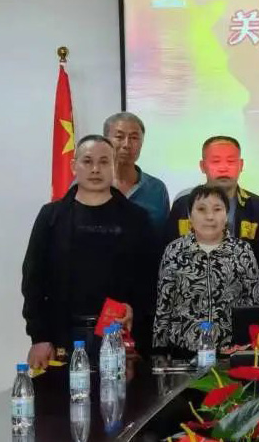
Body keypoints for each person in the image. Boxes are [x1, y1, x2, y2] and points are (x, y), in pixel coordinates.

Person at [21, 135, 158, 368]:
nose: (95, 169)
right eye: (87, 161)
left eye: (104, 162)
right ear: (74, 166)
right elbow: (33, 279)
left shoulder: (136, 218)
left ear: (114, 166)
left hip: (119, 334)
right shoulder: (52, 216)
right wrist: (39, 336)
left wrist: (136, 313)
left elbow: (149, 278)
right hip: (62, 336)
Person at [153, 185, 259, 357]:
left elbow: (253, 302)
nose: (210, 217)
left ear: (226, 214)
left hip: (231, 351)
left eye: (217, 209)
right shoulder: (174, 251)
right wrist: (159, 351)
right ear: (190, 215)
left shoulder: (242, 251)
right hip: (183, 351)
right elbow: (164, 305)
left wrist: (253, 348)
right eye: (201, 209)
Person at [165, 136, 259, 286]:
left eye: (231, 161)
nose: (223, 168)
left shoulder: (258, 207)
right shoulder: (182, 206)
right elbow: (169, 258)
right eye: (216, 161)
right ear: (202, 166)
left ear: (241, 165)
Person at [103, 112, 170, 233]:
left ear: (142, 143)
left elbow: (164, 236)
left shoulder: (157, 189)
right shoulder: (87, 185)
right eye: (119, 137)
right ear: (105, 141)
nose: (126, 145)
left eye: (134, 138)